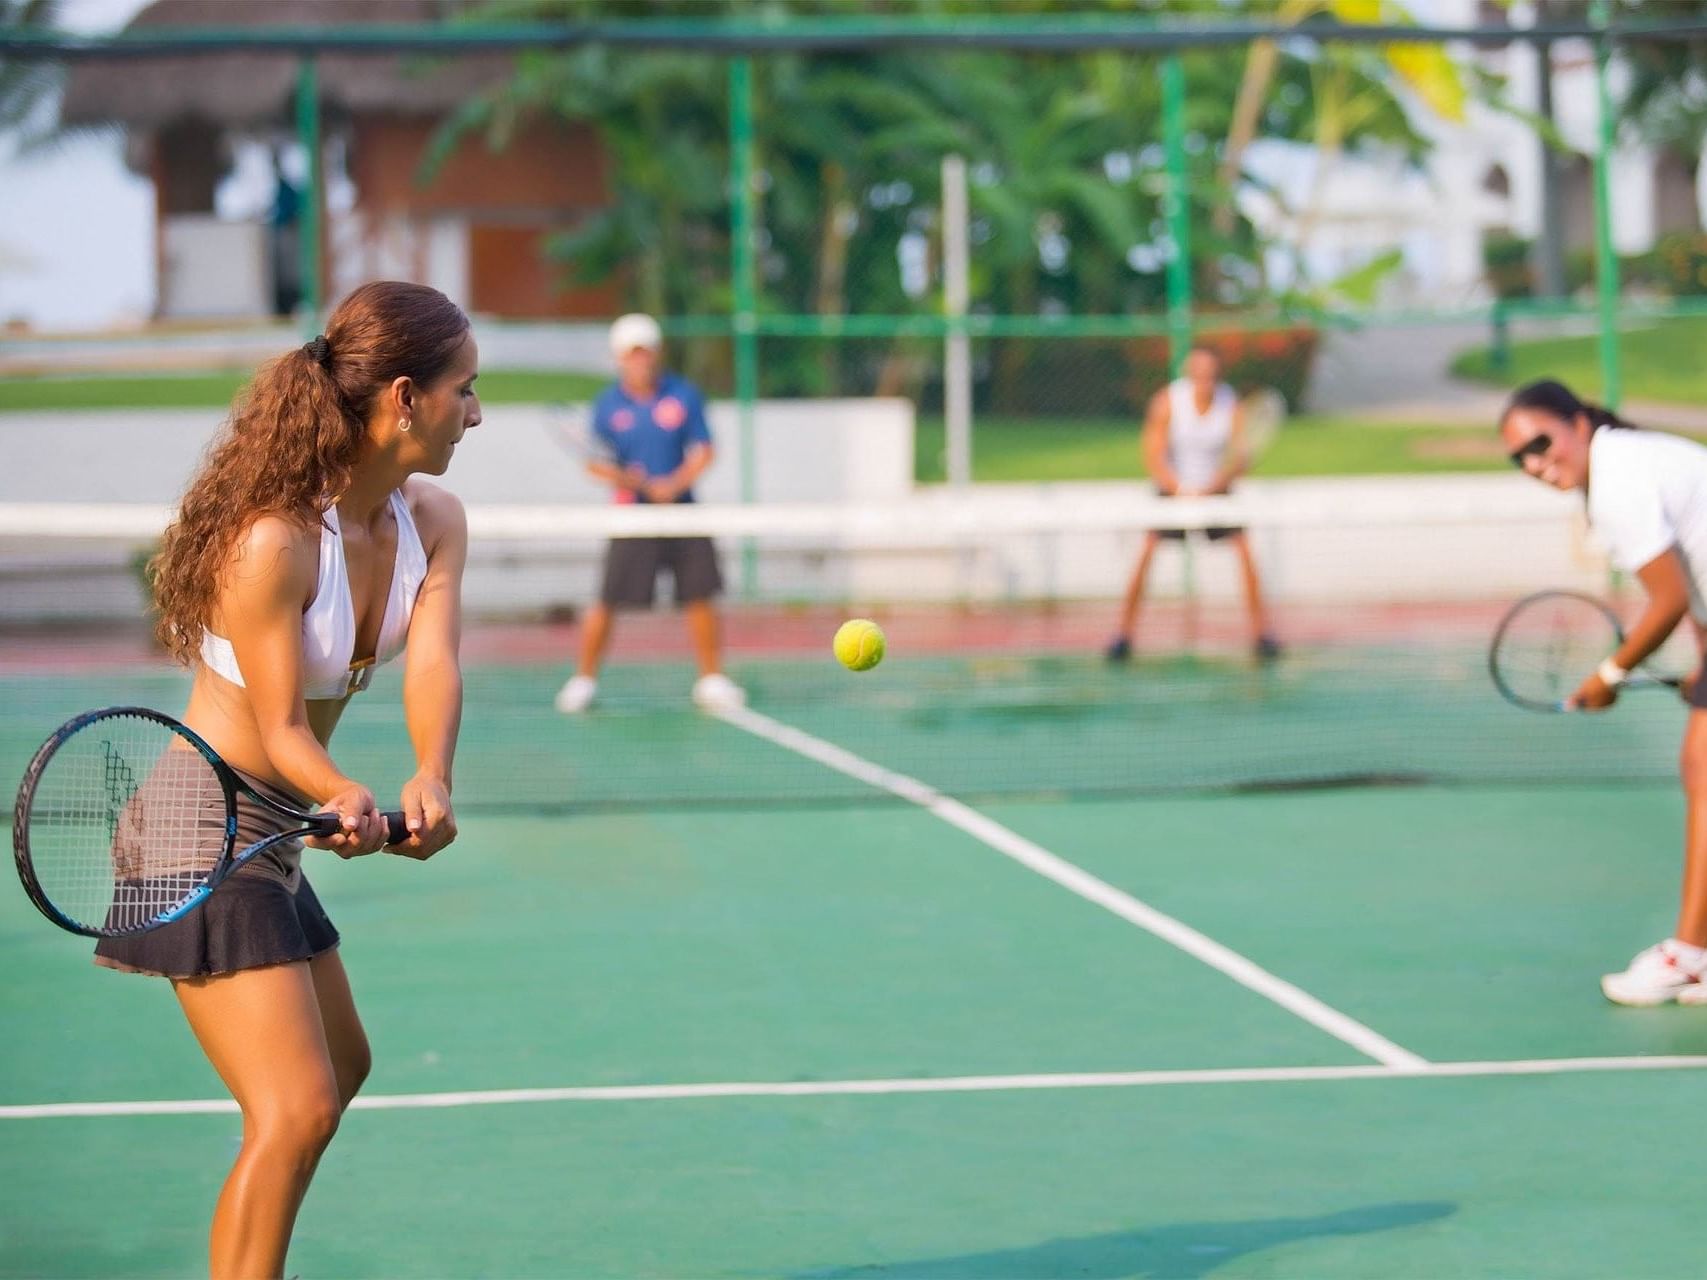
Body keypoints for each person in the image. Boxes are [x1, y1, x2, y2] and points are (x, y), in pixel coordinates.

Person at [96, 280, 478, 1278]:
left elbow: (433, 661)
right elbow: (274, 723)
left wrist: (429, 772)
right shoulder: (272, 540)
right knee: (295, 1103)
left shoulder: (432, 518)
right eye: (464, 390)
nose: (476, 412)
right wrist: (343, 787)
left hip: (272, 826)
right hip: (198, 826)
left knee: (338, 1071)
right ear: (406, 396)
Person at [1500, 377, 1707, 1005]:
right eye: (1520, 458)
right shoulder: (1627, 461)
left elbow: (1669, 597)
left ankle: (1690, 955)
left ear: (1578, 425)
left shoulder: (1619, 478)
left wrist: (1608, 675)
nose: (1536, 463)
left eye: (1542, 442)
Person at [554, 313, 745, 713]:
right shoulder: (608, 404)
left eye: (646, 352)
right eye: (631, 354)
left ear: (657, 354)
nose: (640, 360)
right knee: (607, 599)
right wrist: (632, 480)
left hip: (683, 513)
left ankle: (712, 679)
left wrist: (674, 483)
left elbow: (704, 450)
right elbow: (595, 464)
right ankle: (584, 680)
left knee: (700, 594)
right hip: (631, 517)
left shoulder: (683, 394)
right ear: (619, 358)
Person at [1104, 345, 1280, 663]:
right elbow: (1153, 457)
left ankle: (1261, 635)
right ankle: (1123, 635)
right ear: (1188, 373)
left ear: (1216, 375)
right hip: (1173, 490)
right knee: (1145, 551)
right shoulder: (1167, 402)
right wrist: (1181, 489)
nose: (1203, 379)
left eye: (1209, 374)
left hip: (1216, 492)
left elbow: (1238, 458)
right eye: (1197, 373)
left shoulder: (1231, 405)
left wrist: (1217, 484)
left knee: (1244, 549)